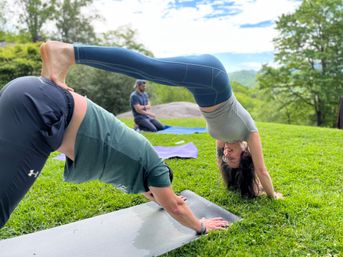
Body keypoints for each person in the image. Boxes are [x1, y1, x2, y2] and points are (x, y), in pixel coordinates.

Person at [40, 41, 283, 199]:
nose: (226, 154)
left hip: (201, 83)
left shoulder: (224, 141)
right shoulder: (249, 132)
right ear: (246, 154)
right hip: (212, 77)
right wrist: (272, 195)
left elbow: (225, 162)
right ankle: (68, 53)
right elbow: (261, 170)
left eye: (226, 156)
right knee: (147, 69)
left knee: (148, 69)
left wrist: (234, 177)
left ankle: (66, 55)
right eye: (233, 156)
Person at [0, 71, 229, 233]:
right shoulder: (155, 167)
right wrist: (201, 226)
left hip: (35, 95)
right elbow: (174, 206)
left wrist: (163, 196)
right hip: (42, 109)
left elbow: (161, 198)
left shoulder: (138, 167)